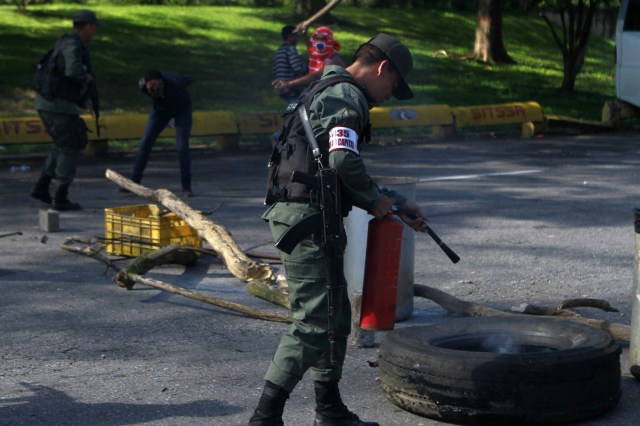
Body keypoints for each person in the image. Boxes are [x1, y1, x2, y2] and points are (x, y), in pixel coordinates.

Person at [250, 33, 427, 426]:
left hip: (312, 213)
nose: (385, 96)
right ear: (383, 69)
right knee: (315, 322)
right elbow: (344, 160)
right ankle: (264, 417)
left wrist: (393, 200)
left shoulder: (326, 86)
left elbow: (334, 168)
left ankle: (328, 409)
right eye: (392, 86)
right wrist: (376, 201)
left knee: (334, 314)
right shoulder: (347, 95)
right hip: (307, 217)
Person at [31, 9, 99, 211]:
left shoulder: (64, 41)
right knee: (71, 147)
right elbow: (72, 70)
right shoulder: (72, 45)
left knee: (61, 144)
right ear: (88, 27)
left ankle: (42, 187)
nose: (94, 33)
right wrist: (85, 78)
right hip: (57, 106)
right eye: (94, 28)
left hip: (49, 103)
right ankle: (61, 196)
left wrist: (82, 100)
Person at [128, 70, 194, 197]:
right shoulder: (143, 86)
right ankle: (134, 182)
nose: (157, 91)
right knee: (145, 143)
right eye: (152, 89)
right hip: (161, 110)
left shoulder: (174, 80)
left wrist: (182, 79)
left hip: (182, 110)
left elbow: (189, 78)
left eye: (159, 87)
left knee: (182, 148)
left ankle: (186, 187)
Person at [273, 25, 346, 99]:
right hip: (320, 96)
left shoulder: (333, 60)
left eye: (324, 39)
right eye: (317, 38)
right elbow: (309, 46)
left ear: (330, 40)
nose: (319, 42)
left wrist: (290, 83)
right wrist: (304, 34)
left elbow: (316, 75)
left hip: (334, 98)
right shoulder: (316, 56)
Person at [272, 25, 308, 107]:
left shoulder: (279, 50)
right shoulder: (290, 49)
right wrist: (309, 65)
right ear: (290, 36)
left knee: (290, 110)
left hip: (282, 88)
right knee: (298, 111)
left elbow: (274, 70)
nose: (297, 39)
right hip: (292, 87)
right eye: (296, 36)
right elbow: (298, 68)